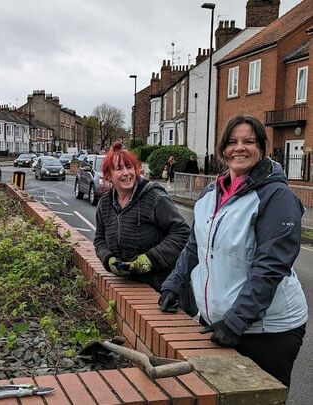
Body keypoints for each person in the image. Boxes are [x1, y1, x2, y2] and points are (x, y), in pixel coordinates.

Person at [159, 115, 308, 387]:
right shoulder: (210, 194)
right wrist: (173, 285)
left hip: (269, 330)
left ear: (262, 147)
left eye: (248, 141)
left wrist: (236, 320)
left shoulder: (276, 196)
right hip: (221, 322)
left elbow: (270, 267)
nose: (239, 147)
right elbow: (195, 247)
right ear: (223, 151)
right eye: (232, 142)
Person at [94, 142, 190, 292]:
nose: (126, 173)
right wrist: (108, 259)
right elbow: (99, 238)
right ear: (108, 175)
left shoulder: (154, 197)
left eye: (129, 167)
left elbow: (182, 231)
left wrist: (151, 259)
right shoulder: (105, 204)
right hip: (129, 288)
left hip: (163, 287)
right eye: (119, 169)